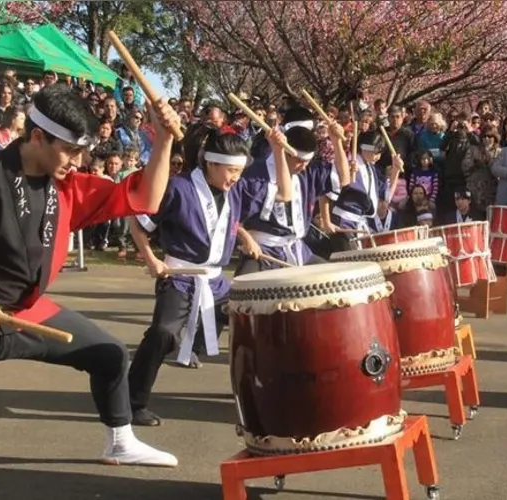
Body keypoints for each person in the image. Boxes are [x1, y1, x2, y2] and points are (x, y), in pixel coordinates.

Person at [0, 84, 181, 466]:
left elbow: (147, 199)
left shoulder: (68, 190)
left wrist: (162, 140)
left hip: (24, 314)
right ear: (38, 136)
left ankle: (120, 443)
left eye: (81, 151)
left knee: (109, 353)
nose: (77, 162)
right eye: (70, 150)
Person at [125, 128, 292, 424]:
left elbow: (284, 193)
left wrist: (278, 150)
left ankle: (267, 396)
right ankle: (131, 401)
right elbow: (137, 220)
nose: (236, 178)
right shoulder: (177, 187)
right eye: (231, 170)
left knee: (260, 321)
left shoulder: (236, 191)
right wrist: (151, 258)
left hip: (216, 282)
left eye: (240, 171)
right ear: (210, 163)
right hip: (179, 276)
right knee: (163, 335)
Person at [235, 108, 351, 275]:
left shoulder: (307, 172)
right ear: (286, 153)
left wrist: (336, 141)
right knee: (244, 291)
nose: (303, 165)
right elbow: (232, 216)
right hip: (263, 251)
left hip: (299, 250)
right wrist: (246, 239)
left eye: (307, 161)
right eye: (299, 160)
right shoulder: (255, 175)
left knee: (335, 281)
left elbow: (344, 179)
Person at [323, 131, 404, 253]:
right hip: (344, 222)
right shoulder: (348, 164)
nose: (378, 157)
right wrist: (326, 221)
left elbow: (386, 197)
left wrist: (396, 170)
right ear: (364, 148)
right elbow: (325, 192)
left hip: (360, 224)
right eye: (376, 153)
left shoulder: (371, 168)